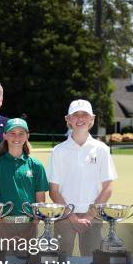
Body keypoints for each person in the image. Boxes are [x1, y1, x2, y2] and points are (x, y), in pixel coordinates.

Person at [48, 100, 117, 256]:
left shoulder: (102, 149)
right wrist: (72, 218)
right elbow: (54, 190)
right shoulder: (58, 151)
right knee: (61, 263)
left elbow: (108, 187)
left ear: (92, 119)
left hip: (93, 217)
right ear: (68, 119)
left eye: (84, 115)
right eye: (75, 115)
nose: (80, 119)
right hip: (64, 216)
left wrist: (88, 216)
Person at [0, 118, 48, 244]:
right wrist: (3, 232)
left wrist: (32, 228)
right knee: (4, 263)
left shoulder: (36, 166)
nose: (16, 137)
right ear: (5, 136)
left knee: (28, 263)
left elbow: (40, 201)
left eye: (21, 133)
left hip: (29, 224)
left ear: (27, 136)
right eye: (12, 133)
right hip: (2, 223)